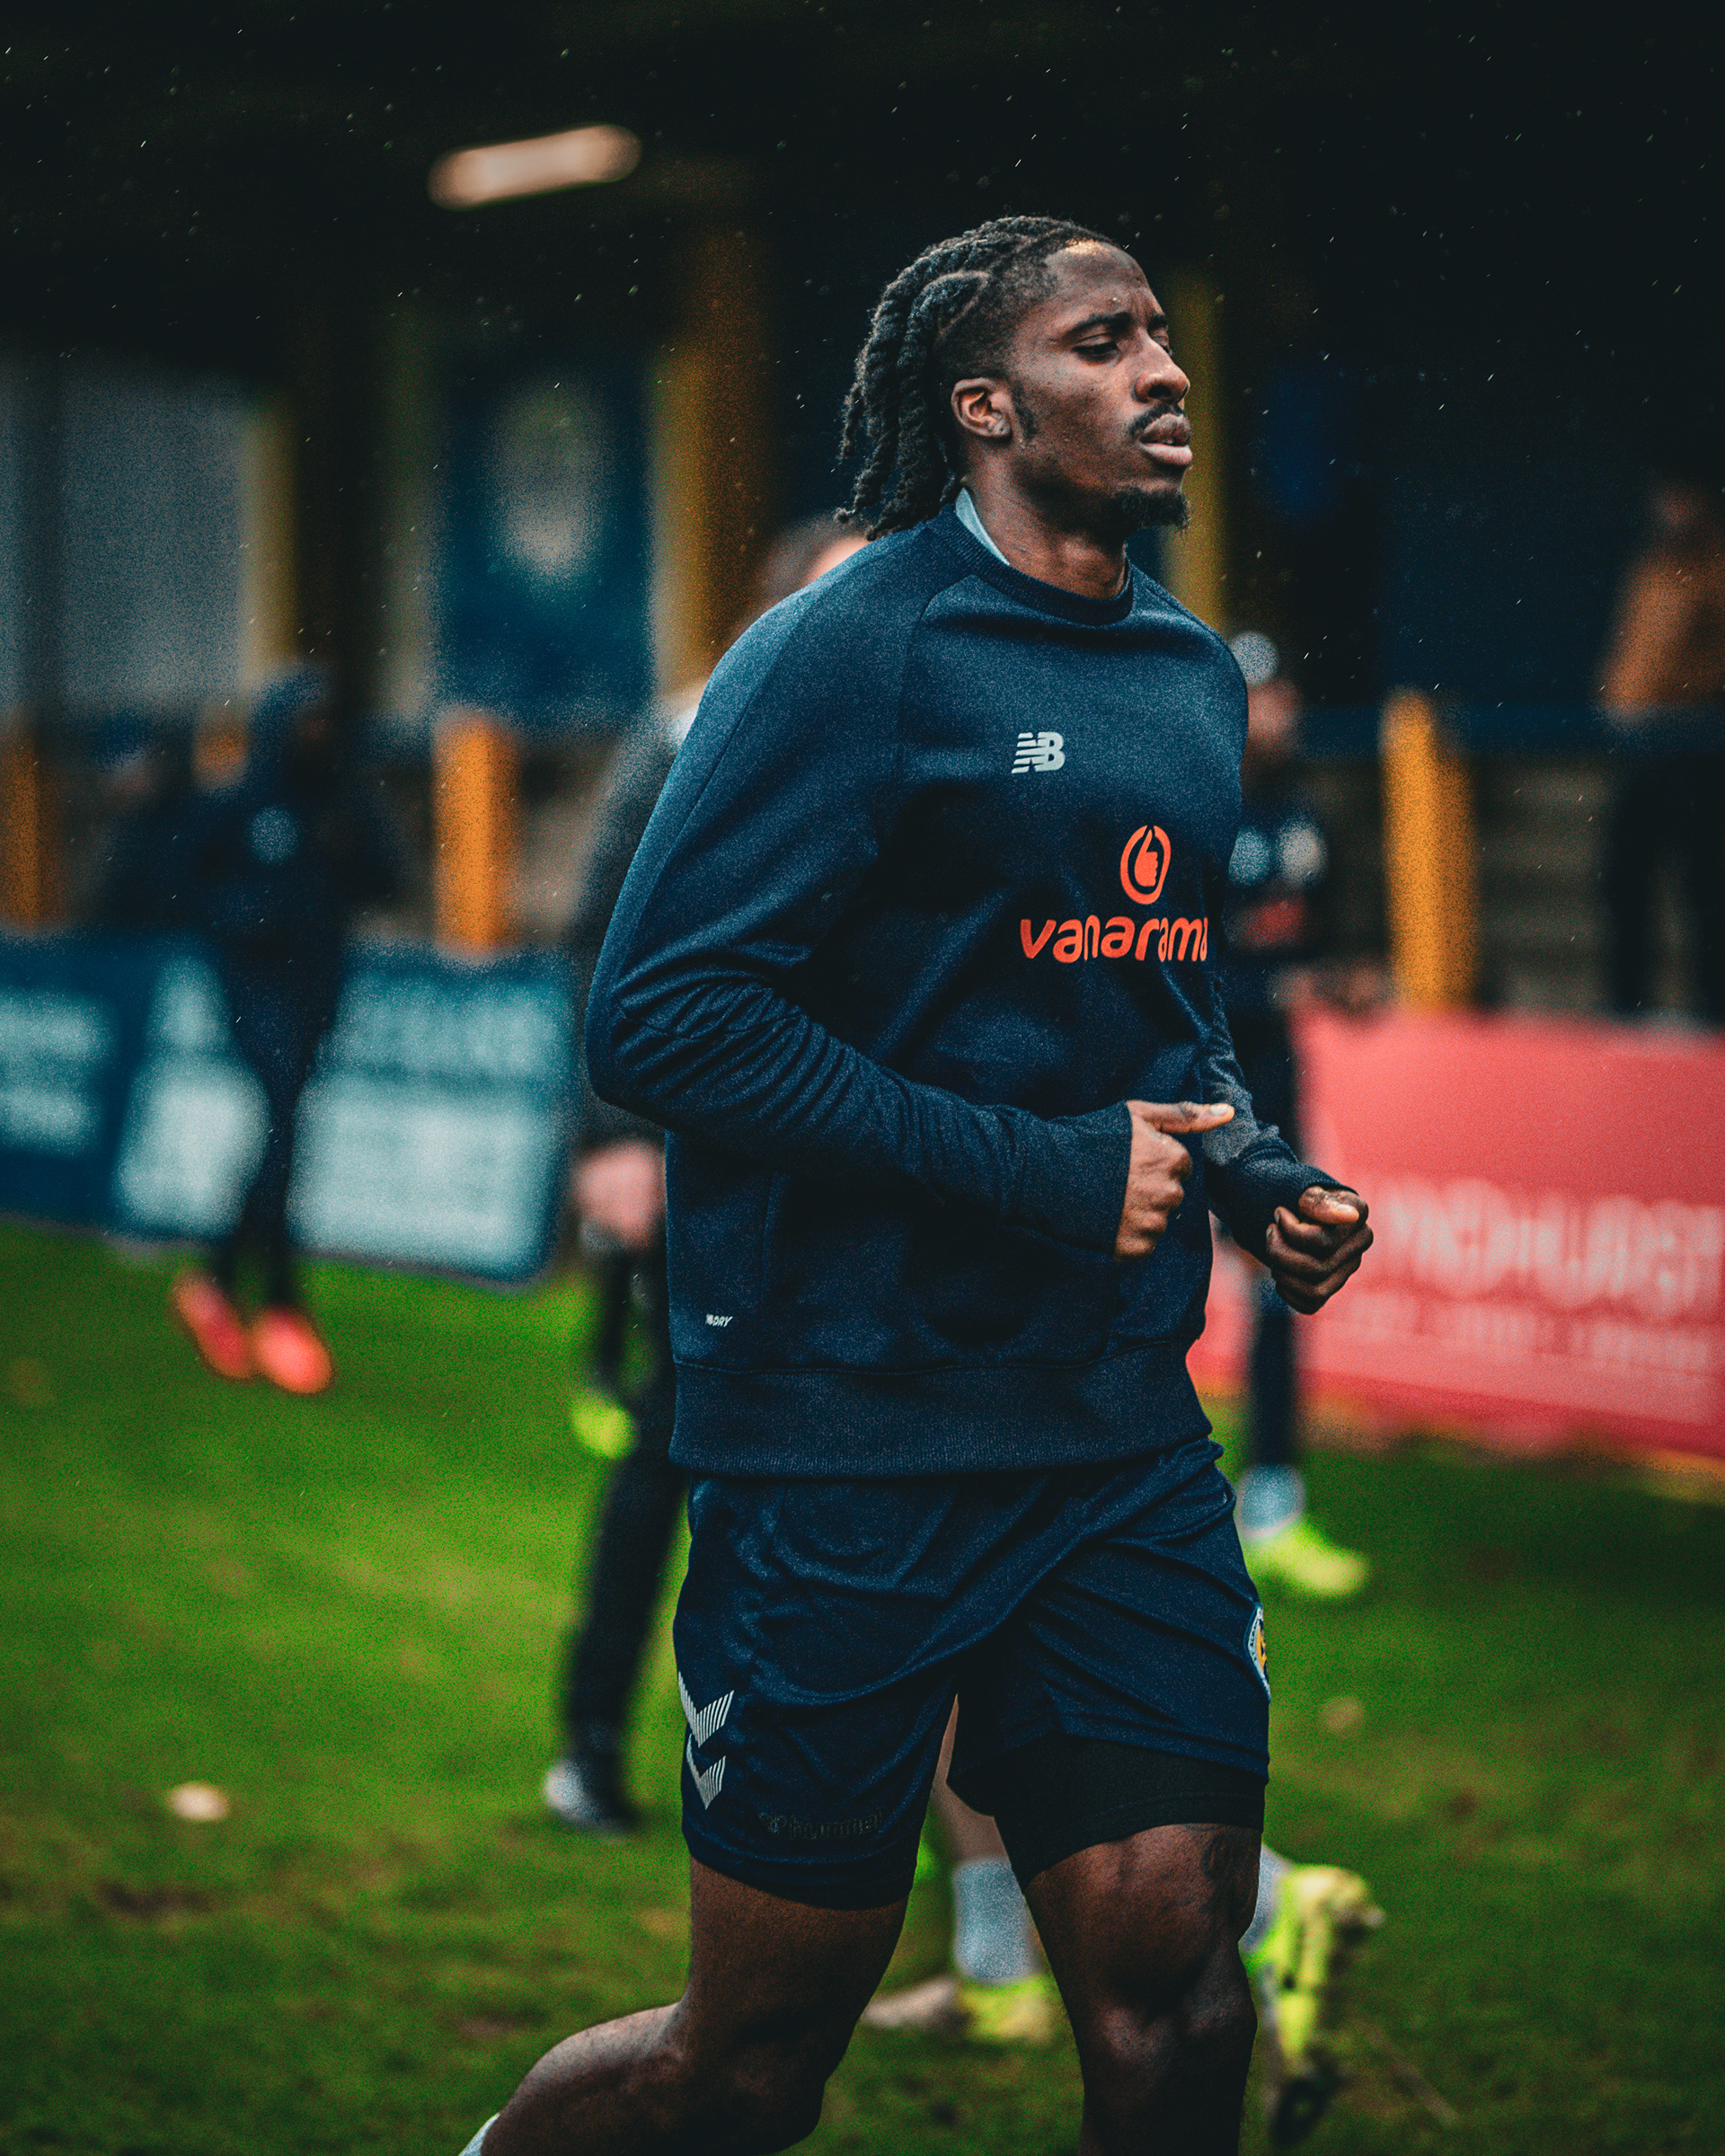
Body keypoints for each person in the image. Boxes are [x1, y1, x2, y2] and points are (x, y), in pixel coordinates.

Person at [457, 215, 1371, 2156]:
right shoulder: (845, 652)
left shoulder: (1185, 676)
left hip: (1112, 1438)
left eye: (1161, 333)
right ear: (982, 407)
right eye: (1101, 341)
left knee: (1179, 1993)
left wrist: (1256, 1175)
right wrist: (1038, 1171)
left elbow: (1162, 1012)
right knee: (753, 2061)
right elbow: (664, 1018)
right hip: (845, 1435)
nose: (1162, 371)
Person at [545, 518, 865, 1835]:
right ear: (778, 610)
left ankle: (849, 1790)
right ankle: (591, 1744)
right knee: (680, 1450)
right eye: (839, 589)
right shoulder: (692, 730)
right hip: (707, 1164)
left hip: (849, 1166)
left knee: (855, 1472)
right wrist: (613, 1137)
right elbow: (603, 945)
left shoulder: (907, 736)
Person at [143, 667, 398, 1393]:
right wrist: (242, 912)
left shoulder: (345, 802)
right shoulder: (237, 802)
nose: (319, 734)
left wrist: (342, 864)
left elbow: (387, 878)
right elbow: (173, 882)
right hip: (252, 988)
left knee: (285, 1130)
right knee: (284, 1117)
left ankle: (217, 1281)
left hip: (318, 986)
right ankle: (282, 1305)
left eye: (327, 721)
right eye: (307, 721)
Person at [1216, 632, 1378, 1599]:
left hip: (1271, 1092)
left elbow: (1322, 939)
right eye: (1256, 699)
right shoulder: (1189, 813)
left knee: (1280, 1288)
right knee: (1139, 1296)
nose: (1275, 715)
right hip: (1180, 1091)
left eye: (1282, 695)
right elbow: (1168, 969)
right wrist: (1282, 988)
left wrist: (1347, 978)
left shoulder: (1309, 819)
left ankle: (1272, 1505)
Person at [1597, 465, 1725, 1024]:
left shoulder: (1715, 567)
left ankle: (1711, 1005)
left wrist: (1687, 702)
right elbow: (1630, 648)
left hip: (1695, 745)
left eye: (1682, 497)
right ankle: (1626, 1002)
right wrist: (1616, 700)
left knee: (1702, 882)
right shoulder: (1650, 566)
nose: (1671, 509)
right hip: (1640, 745)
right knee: (1624, 877)